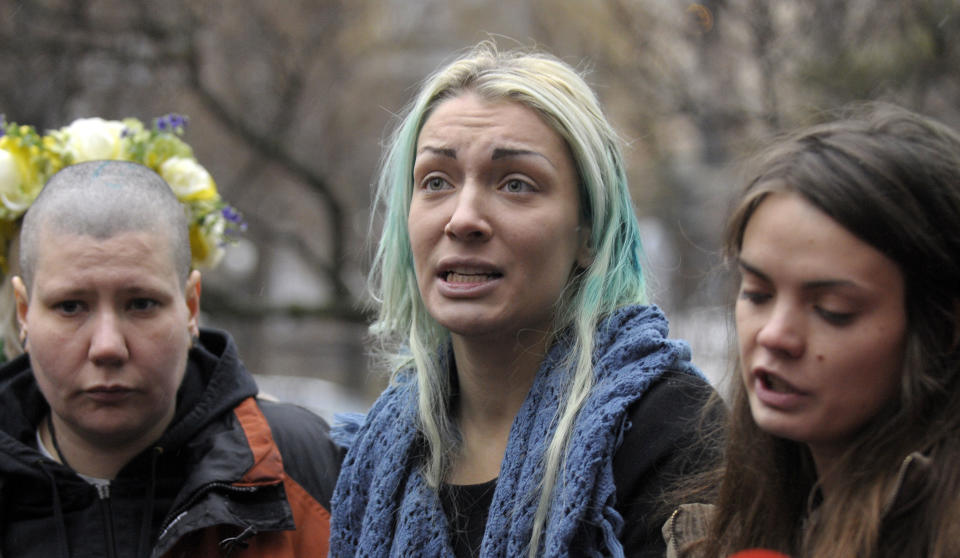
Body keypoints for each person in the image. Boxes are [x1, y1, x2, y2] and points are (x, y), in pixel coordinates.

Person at [330, 42, 719, 557]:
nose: (462, 218)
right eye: (436, 181)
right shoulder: (379, 454)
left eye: (516, 184)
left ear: (589, 234)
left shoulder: (673, 433)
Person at [0, 160, 340, 557]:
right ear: (24, 313)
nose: (108, 347)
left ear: (191, 306)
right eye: (71, 306)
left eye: (141, 304)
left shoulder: (304, 466)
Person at [664, 103, 960, 557]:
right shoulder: (742, 518)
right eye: (758, 294)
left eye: (832, 309)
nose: (774, 335)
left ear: (943, 328)